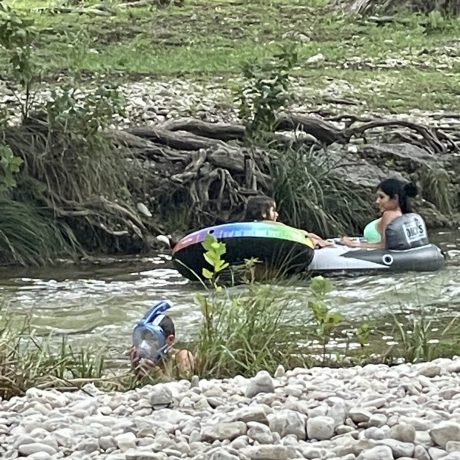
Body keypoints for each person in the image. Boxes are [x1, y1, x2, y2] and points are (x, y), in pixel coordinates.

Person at [341, 178, 418, 249]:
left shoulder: (389, 214)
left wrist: (353, 244)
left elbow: (384, 246)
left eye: (381, 197)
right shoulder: (404, 216)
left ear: (395, 198)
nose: (377, 201)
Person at [130, 301, 194, 379]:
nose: (143, 345)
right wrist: (135, 372)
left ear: (170, 340)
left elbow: (185, 386)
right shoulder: (141, 359)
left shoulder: (182, 357)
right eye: (142, 338)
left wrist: (157, 376)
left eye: (152, 339)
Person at [244, 195, 331, 248]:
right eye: (273, 210)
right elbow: (301, 233)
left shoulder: (244, 227)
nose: (277, 214)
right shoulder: (271, 225)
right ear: (263, 213)